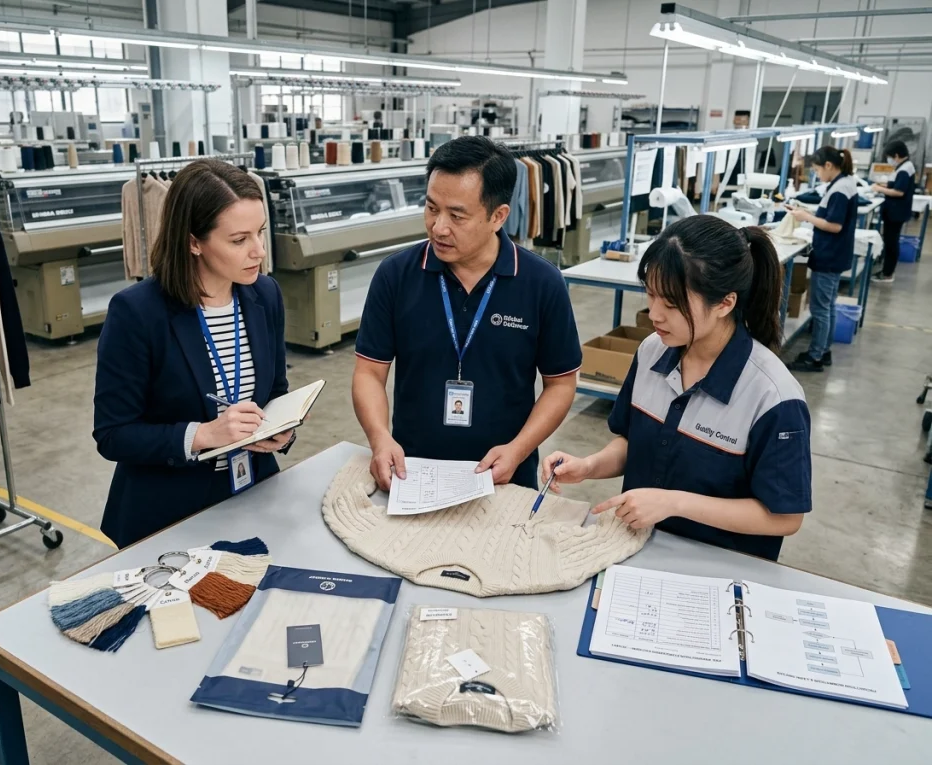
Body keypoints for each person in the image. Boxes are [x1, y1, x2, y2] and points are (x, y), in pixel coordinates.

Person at [542, 216, 812, 562]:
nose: (654, 314)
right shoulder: (652, 351)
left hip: (720, 571)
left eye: (671, 304)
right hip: (637, 549)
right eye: (651, 295)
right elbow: (632, 441)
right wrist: (589, 466)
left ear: (725, 303)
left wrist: (673, 503)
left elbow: (784, 518)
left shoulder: (772, 396)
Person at [353, 136, 582, 491]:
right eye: (431, 208)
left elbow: (561, 383)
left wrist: (518, 450)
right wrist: (380, 438)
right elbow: (369, 372)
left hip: (504, 476)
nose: (439, 227)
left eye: (457, 215)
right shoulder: (396, 275)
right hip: (412, 473)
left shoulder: (541, 283)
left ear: (498, 216)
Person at [94, 159, 294, 548]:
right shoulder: (138, 312)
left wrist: (279, 430)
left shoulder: (265, 295)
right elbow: (113, 434)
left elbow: (276, 388)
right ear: (193, 241)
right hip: (169, 514)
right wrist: (203, 434)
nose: (258, 251)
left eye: (260, 233)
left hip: (252, 494)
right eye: (239, 240)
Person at [787, 146, 858, 372]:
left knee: (820, 308)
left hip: (829, 255)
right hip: (835, 254)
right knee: (828, 306)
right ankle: (823, 350)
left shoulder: (840, 189)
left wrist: (805, 216)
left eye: (817, 170)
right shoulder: (844, 183)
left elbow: (835, 226)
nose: (817, 174)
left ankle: (815, 357)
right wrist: (809, 212)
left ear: (828, 166)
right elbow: (831, 216)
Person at [870, 140, 916, 285]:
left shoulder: (904, 169)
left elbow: (899, 192)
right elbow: (895, 185)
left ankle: (888, 273)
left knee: (891, 242)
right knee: (890, 240)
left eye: (890, 157)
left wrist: (879, 189)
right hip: (896, 211)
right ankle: (886, 270)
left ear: (896, 155)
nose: (889, 160)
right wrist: (883, 185)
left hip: (896, 212)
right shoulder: (905, 167)